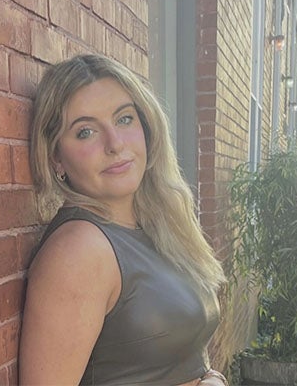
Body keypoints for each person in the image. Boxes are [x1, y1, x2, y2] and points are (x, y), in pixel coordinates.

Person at [19, 54, 228, 386]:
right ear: (56, 157)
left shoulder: (156, 228)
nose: (115, 144)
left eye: (125, 119)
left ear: (146, 126)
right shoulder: (79, 250)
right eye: (85, 131)